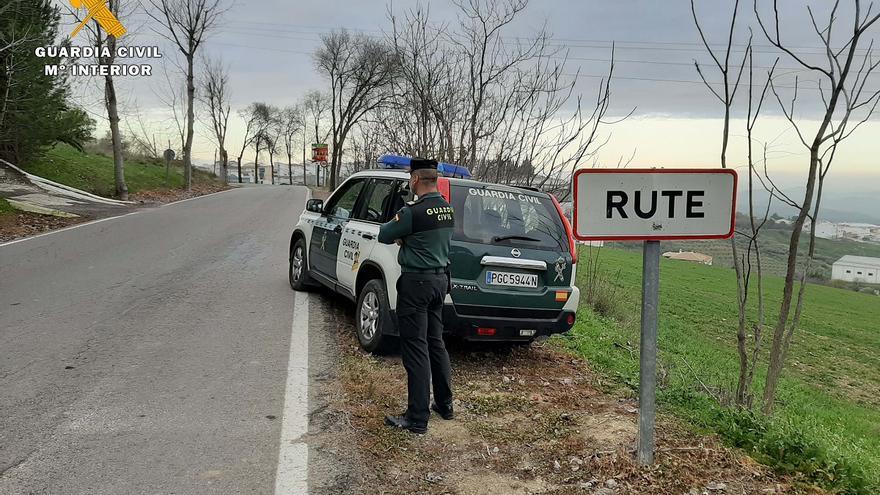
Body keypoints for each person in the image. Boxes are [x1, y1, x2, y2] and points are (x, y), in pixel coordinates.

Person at [378, 157, 455, 434]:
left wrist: (404, 237)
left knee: (415, 348)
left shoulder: (413, 212)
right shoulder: (448, 209)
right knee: (436, 343)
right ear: (435, 179)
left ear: (414, 180)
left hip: (416, 284)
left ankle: (417, 417)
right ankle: (445, 405)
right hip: (439, 282)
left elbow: (384, 234)